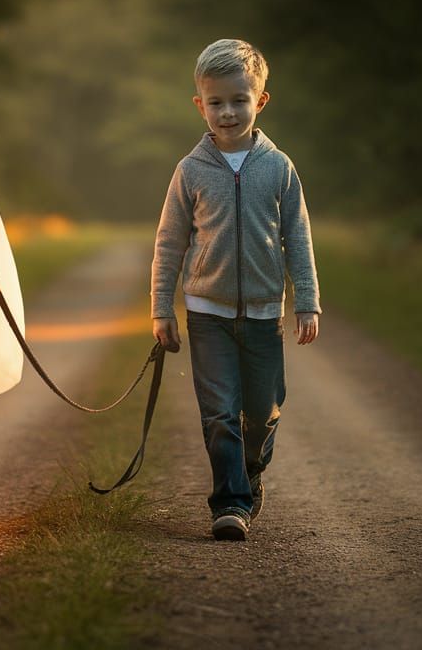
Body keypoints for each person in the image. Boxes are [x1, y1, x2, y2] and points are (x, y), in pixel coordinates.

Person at [151, 38, 321, 541]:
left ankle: (250, 473)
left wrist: (307, 301)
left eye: (239, 100)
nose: (228, 112)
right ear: (200, 104)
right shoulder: (190, 171)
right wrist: (162, 309)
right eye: (217, 102)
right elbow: (169, 243)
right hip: (208, 314)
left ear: (260, 101)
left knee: (262, 414)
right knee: (220, 411)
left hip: (266, 314)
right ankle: (230, 504)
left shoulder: (278, 167)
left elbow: (298, 236)